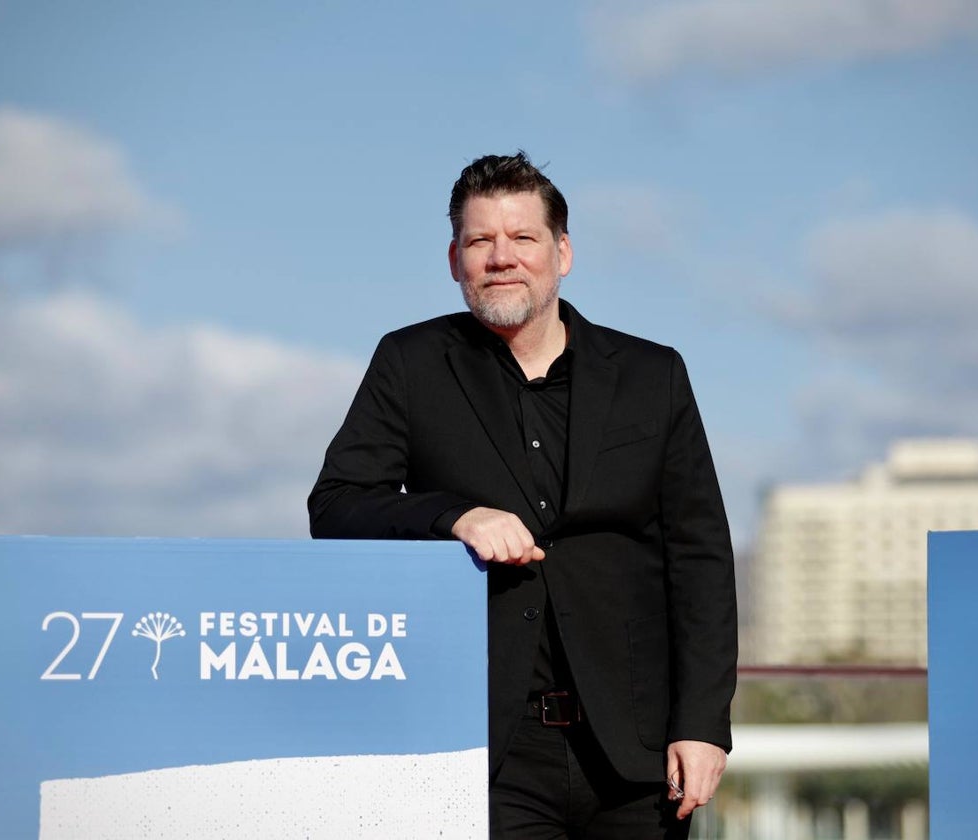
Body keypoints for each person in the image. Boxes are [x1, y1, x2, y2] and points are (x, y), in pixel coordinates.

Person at [309, 152, 736, 839]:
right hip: (485, 753)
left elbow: (701, 559)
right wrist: (453, 515)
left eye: (523, 238)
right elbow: (334, 506)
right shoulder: (410, 363)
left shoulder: (653, 374)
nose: (501, 257)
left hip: (638, 755)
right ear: (455, 259)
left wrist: (703, 725)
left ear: (562, 252)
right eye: (481, 241)